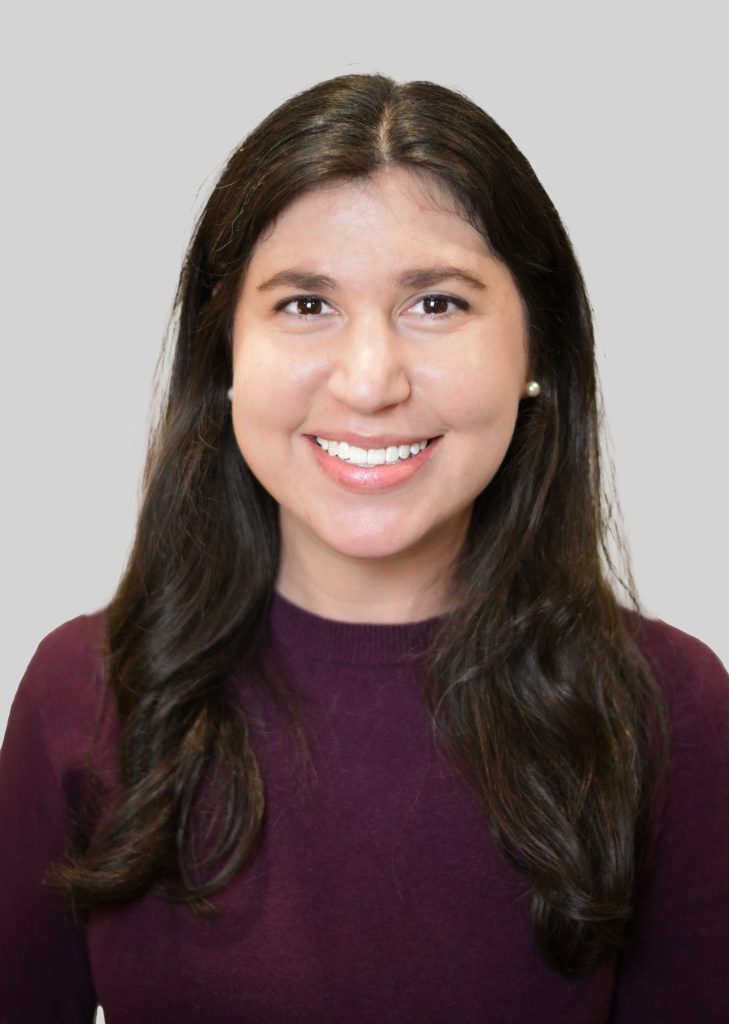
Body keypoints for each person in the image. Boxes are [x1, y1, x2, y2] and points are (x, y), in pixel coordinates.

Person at [1, 74, 727, 1024]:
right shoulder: (82, 690)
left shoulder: (669, 710)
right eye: (306, 305)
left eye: (436, 304)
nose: (370, 381)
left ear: (536, 352)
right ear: (222, 352)